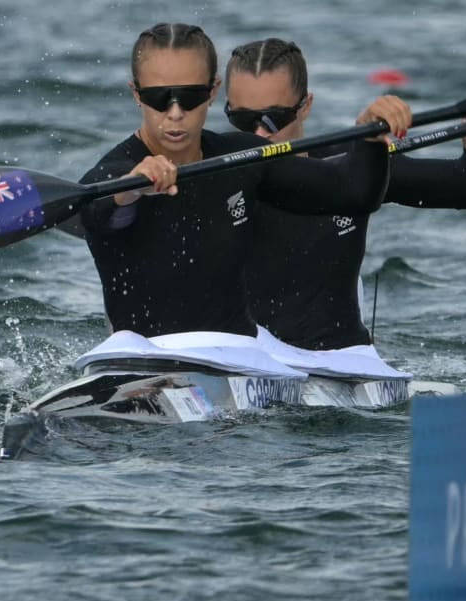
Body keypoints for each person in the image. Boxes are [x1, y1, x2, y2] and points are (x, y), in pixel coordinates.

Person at [76, 23, 411, 359]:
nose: (175, 113)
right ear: (136, 94)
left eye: (190, 96)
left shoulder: (241, 156)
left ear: (212, 91)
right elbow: (97, 208)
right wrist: (131, 190)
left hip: (238, 358)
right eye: (158, 98)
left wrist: (369, 138)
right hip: (145, 358)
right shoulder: (116, 172)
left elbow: (353, 193)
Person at [224, 38, 466, 372]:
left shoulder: (350, 169)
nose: (257, 133)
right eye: (243, 120)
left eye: (273, 119)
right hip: (248, 362)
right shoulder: (212, 173)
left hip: (342, 361)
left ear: (306, 106)